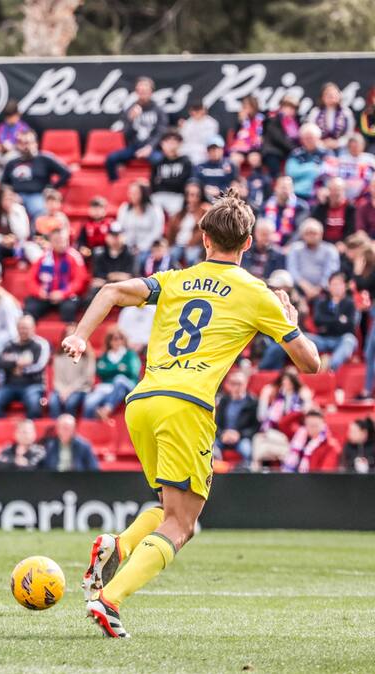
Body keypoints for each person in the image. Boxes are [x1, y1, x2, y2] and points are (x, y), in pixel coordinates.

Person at [63, 188, 321, 638]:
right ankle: (110, 599)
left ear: (204, 239)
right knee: (182, 524)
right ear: (248, 243)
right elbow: (310, 363)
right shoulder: (257, 293)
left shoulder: (176, 279)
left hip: (142, 402)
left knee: (171, 511)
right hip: (187, 406)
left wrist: (82, 337)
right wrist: (290, 316)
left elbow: (110, 290)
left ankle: (117, 546)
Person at [106, 77, 169, 182]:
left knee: (159, 160)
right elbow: (126, 135)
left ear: (151, 92)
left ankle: (154, 185)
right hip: (134, 147)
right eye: (140, 91)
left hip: (151, 147)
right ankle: (115, 184)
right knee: (111, 159)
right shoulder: (131, 109)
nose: (142, 93)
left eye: (145, 91)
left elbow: (160, 132)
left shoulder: (158, 110)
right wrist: (131, 120)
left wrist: (149, 147)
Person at [0, 130, 71, 220]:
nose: (25, 146)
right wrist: (10, 195)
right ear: (17, 145)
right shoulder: (12, 163)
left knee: (40, 211)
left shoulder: (44, 159)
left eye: (28, 142)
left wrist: (52, 187)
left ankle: (37, 234)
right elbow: (4, 184)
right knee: (3, 209)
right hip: (16, 195)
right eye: (22, 143)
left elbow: (66, 173)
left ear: (36, 143)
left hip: (37, 195)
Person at [0, 315, 49, 418]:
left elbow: (40, 365)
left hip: (33, 385)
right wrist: (18, 362)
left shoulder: (41, 344)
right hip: (10, 385)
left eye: (26, 328)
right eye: (21, 327)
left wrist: (21, 368)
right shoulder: (8, 344)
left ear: (33, 328)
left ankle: (29, 431)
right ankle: (5, 429)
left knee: (34, 404)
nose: (23, 331)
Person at [24, 228, 87, 322]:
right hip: (46, 295)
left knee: (69, 309)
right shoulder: (43, 257)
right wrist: (39, 292)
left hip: (66, 296)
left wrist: (63, 294)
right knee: (30, 309)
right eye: (57, 241)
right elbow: (31, 279)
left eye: (64, 241)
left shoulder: (74, 257)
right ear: (51, 243)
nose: (62, 244)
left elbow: (80, 280)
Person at [82, 327, 140, 419]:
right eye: (114, 339)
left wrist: (109, 369)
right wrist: (119, 367)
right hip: (107, 387)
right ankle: (89, 428)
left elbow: (132, 371)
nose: (118, 341)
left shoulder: (130, 354)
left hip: (129, 385)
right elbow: (100, 372)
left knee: (119, 380)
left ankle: (106, 410)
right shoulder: (105, 356)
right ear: (109, 341)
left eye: (120, 338)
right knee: (90, 402)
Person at [286, 219, 340, 301]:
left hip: (324, 291)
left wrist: (318, 289)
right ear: (302, 235)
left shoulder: (330, 250)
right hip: (299, 288)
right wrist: (306, 287)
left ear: (321, 234)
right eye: (308, 233)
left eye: (314, 233)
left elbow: (331, 271)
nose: (311, 236)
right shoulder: (295, 248)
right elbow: (292, 270)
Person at [50, 324, 95, 417]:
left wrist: (69, 391)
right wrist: (62, 391)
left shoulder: (88, 356)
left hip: (81, 389)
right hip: (62, 389)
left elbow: (87, 377)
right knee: (53, 402)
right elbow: (57, 379)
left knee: (71, 403)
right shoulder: (58, 357)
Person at [215, 371, 259, 464]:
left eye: (239, 384)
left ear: (245, 384)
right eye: (233, 384)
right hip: (223, 436)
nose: (236, 387)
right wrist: (222, 434)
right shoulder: (224, 401)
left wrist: (239, 435)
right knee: (209, 449)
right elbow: (216, 423)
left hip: (241, 438)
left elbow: (255, 427)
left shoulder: (252, 402)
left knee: (246, 450)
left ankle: (246, 476)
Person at [150, 131, 193, 216]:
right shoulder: (158, 163)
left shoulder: (185, 161)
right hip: (158, 195)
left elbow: (182, 183)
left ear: (180, 144)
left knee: (176, 214)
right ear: (162, 144)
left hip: (177, 196)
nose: (170, 145)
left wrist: (162, 181)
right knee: (150, 210)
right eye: (167, 142)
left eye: (174, 142)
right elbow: (153, 183)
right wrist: (172, 181)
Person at [117, 181, 166, 253]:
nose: (131, 195)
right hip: (128, 246)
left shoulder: (155, 209)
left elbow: (157, 231)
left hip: (149, 247)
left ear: (144, 194)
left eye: (135, 193)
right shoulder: (124, 208)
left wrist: (141, 247)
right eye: (130, 193)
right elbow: (120, 229)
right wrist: (126, 245)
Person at [308, 82, 355, 152]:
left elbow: (349, 134)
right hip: (319, 148)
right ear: (322, 97)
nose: (331, 96)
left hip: (341, 149)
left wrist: (337, 143)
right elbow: (310, 132)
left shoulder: (346, 112)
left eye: (334, 94)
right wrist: (322, 144)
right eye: (328, 94)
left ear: (339, 96)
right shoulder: (315, 112)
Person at [286, 124, 328, 200]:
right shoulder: (296, 153)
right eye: (306, 138)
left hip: (318, 193)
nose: (308, 141)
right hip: (297, 192)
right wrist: (312, 167)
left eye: (311, 138)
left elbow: (328, 171)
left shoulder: (325, 153)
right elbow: (291, 172)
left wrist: (301, 169)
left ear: (318, 138)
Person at [261, 95, 300, 174]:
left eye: (292, 108)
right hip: (273, 151)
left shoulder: (296, 122)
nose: (289, 110)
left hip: (288, 152)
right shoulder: (273, 119)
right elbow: (278, 138)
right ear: (281, 107)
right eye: (286, 106)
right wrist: (295, 149)